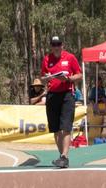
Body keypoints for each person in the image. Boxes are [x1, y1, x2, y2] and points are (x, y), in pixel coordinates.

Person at [40, 35, 82, 168]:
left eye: (58, 44)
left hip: (67, 95)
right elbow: (42, 77)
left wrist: (68, 79)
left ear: (62, 45)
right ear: (51, 46)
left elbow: (79, 74)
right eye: (54, 45)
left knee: (66, 127)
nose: (56, 47)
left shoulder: (70, 57)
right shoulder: (47, 59)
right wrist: (46, 78)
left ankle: (65, 156)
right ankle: (62, 157)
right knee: (55, 129)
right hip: (52, 96)